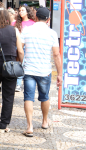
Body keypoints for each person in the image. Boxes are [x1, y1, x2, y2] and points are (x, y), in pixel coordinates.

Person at [21, 7, 62, 137]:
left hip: (29, 70)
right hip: (45, 71)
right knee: (44, 97)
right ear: (48, 19)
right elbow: (56, 55)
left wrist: (22, 62)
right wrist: (60, 74)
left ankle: (29, 126)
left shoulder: (26, 30)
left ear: (36, 17)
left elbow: (20, 49)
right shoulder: (52, 33)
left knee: (28, 97)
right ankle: (44, 121)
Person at [15, 5, 35, 92]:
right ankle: (18, 84)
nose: (20, 12)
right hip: (18, 46)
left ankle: (27, 83)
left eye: (22, 10)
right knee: (19, 64)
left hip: (29, 46)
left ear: (27, 12)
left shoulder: (32, 23)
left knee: (27, 65)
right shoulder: (16, 23)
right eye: (19, 11)